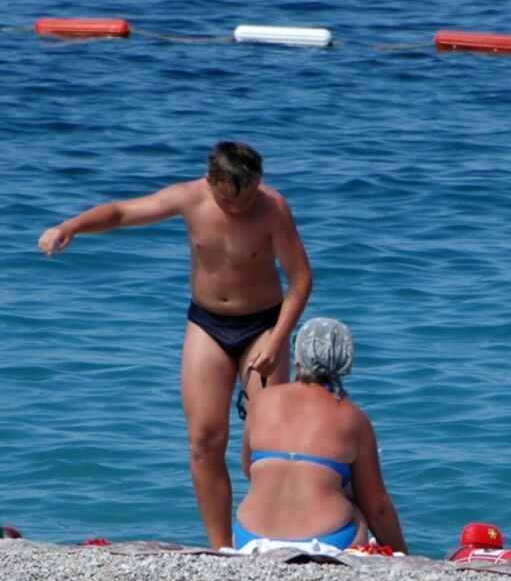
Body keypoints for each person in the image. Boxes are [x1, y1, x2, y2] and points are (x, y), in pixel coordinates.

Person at [37, 142, 312, 549]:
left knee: (263, 446)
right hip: (207, 325)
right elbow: (123, 212)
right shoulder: (189, 198)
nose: (238, 209)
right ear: (209, 181)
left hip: (263, 326)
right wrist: (70, 226)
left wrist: (277, 339)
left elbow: (300, 280)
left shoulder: (273, 208)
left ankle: (270, 537)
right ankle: (223, 549)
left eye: (247, 199)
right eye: (228, 201)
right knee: (204, 443)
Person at [235, 317, 408, 553]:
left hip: (249, 538)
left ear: (297, 359)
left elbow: (249, 470)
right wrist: (403, 554)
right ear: (344, 364)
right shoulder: (353, 418)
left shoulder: (261, 402)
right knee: (357, 505)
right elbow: (377, 508)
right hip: (325, 542)